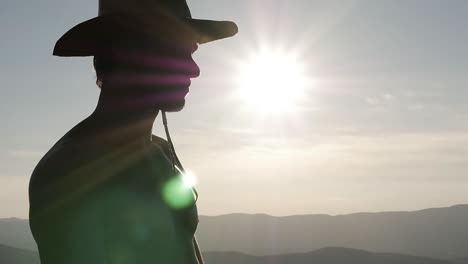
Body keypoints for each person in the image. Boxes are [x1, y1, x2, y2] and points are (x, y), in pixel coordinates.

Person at [28, 0, 237, 263]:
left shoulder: (160, 148)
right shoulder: (69, 172)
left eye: (191, 52)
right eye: (178, 53)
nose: (194, 69)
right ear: (129, 54)